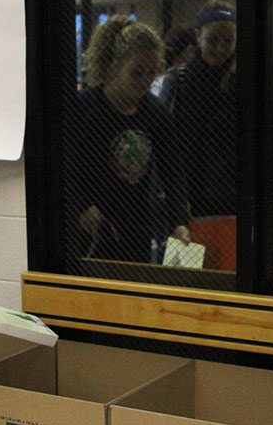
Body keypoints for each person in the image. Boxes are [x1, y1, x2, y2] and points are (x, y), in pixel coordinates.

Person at [69, 15, 187, 263]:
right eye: (136, 73)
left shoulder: (155, 112)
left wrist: (179, 222)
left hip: (136, 229)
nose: (145, 81)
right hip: (91, 229)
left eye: (152, 73)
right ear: (115, 66)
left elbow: (172, 170)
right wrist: (81, 206)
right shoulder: (84, 107)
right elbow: (63, 165)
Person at [157, 0, 238, 219]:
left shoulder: (239, 84)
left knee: (227, 254)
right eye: (213, 40)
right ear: (198, 36)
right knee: (188, 253)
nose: (220, 48)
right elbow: (163, 141)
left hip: (230, 199)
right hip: (187, 198)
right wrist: (175, 199)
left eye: (228, 41)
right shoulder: (178, 80)